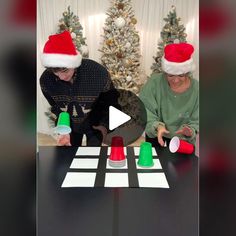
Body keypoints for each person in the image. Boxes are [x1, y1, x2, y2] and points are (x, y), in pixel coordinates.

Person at [40, 30, 114, 146]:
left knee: (93, 158)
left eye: (65, 70)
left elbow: (109, 103)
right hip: (70, 127)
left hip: (95, 124)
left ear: (73, 63)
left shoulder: (98, 73)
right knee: (70, 156)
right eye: (55, 72)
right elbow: (56, 107)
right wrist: (63, 130)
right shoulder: (46, 80)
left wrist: (105, 128)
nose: (61, 77)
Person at [139, 43, 199, 147]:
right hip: (156, 137)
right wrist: (157, 126)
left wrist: (191, 130)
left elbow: (198, 118)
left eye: (181, 75)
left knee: (183, 163)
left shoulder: (197, 89)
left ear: (187, 72)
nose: (175, 80)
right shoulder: (154, 82)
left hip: (183, 141)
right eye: (170, 75)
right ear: (165, 71)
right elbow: (145, 109)